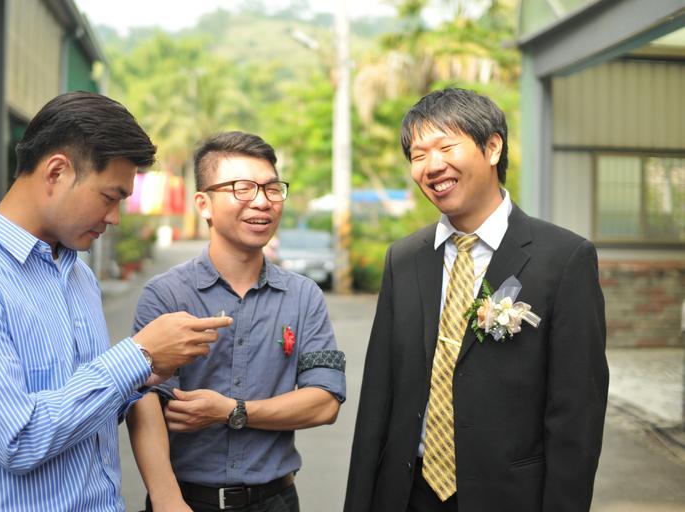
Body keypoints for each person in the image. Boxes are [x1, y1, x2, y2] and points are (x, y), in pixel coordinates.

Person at [0, 91, 231, 511]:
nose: (115, 217)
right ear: (57, 171)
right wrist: (137, 355)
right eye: (110, 196)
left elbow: (79, 412)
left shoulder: (77, 273)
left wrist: (145, 374)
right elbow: (20, 440)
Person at [344, 88, 608, 512]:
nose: (432, 166)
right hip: (408, 496)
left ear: (492, 147)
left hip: (509, 498)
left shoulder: (563, 258)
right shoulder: (404, 258)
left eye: (446, 147)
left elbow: (576, 412)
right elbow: (379, 397)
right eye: (418, 155)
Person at [127, 131, 346, 512]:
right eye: (242, 189)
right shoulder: (167, 295)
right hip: (186, 500)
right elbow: (144, 402)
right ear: (204, 204)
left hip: (275, 501)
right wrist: (166, 500)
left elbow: (324, 402)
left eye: (272, 188)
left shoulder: (303, 296)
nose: (262, 201)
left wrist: (232, 410)